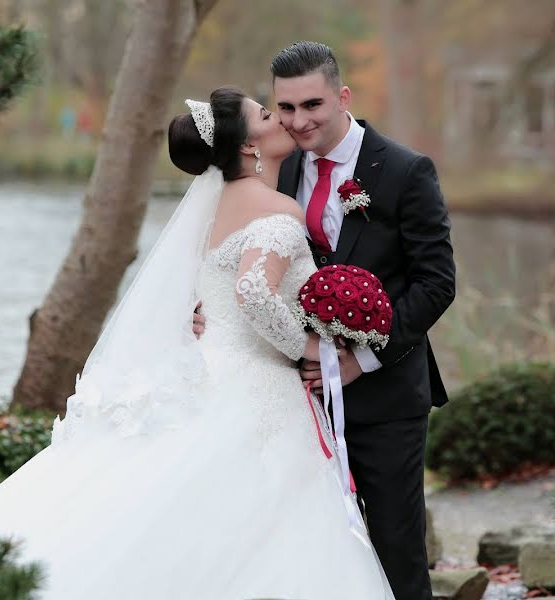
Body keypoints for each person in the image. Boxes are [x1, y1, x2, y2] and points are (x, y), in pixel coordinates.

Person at [0, 85, 395, 599]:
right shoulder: (276, 208)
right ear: (246, 146)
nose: (279, 117)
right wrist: (308, 349)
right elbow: (254, 290)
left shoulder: (215, 208)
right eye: (265, 113)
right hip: (254, 382)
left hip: (207, 367)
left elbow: (206, 288)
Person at [195, 41, 456, 599]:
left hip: (385, 399)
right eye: (284, 108)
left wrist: (360, 358)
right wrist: (209, 314)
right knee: (309, 555)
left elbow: (436, 284)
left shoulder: (406, 171)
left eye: (312, 105)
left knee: (395, 552)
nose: (297, 121)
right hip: (294, 401)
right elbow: (247, 261)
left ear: (343, 97)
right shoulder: (276, 169)